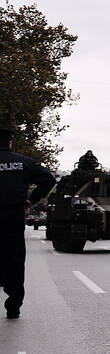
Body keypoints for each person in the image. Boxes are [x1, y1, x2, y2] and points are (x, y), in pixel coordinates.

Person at [0, 122, 57, 319]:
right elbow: (48, 179)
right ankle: (13, 305)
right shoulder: (23, 162)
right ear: (10, 141)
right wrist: (31, 200)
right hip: (13, 216)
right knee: (14, 260)